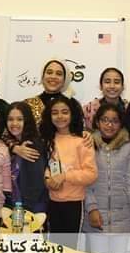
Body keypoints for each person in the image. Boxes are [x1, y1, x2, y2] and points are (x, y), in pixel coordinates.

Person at [83, 103, 130, 253]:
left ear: (121, 123)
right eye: (105, 120)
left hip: (124, 219)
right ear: (97, 122)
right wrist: (92, 209)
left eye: (114, 121)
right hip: (97, 219)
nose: (109, 125)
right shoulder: (89, 145)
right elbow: (85, 182)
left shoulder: (128, 148)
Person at [41, 95, 97, 245]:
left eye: (65, 112)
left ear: (72, 114)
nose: (60, 116)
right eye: (55, 113)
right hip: (52, 201)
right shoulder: (48, 139)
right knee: (53, 246)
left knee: (69, 248)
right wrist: (48, 179)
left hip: (74, 203)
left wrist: (64, 176)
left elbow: (91, 174)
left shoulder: (82, 140)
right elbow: (48, 165)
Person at [3, 102, 48, 213]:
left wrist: (26, 209)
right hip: (15, 205)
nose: (14, 123)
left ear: (27, 121)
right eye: (10, 119)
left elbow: (37, 183)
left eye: (19, 119)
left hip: (31, 208)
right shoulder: (11, 143)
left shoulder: (32, 144)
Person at [25, 59, 73, 127]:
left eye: (59, 74)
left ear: (64, 80)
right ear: (42, 77)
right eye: (49, 72)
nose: (53, 77)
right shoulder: (28, 105)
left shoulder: (72, 105)